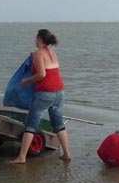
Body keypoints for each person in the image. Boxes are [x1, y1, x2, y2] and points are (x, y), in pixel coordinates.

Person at [9, 29, 72, 164]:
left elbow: (42, 74)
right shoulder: (53, 53)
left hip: (45, 93)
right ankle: (67, 154)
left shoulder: (38, 54)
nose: (34, 40)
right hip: (59, 93)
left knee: (30, 124)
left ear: (40, 39)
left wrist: (26, 81)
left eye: (36, 38)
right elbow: (52, 72)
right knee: (58, 124)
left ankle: (21, 157)